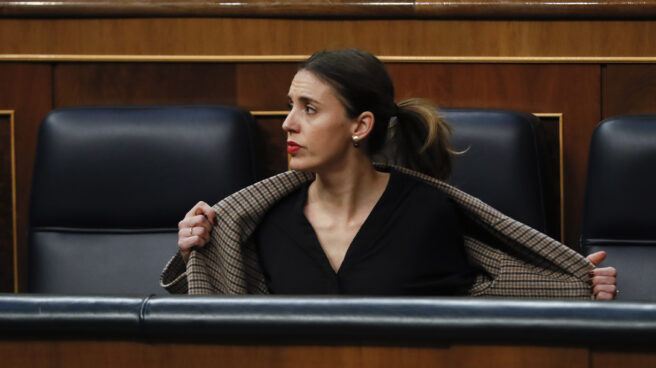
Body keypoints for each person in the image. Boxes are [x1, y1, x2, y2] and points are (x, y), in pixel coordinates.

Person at [162, 49, 616, 299]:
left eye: (309, 109)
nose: (288, 124)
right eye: (290, 107)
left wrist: (577, 284)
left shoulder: (426, 212)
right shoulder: (266, 219)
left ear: (360, 126)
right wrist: (196, 250)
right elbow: (226, 307)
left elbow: (483, 302)